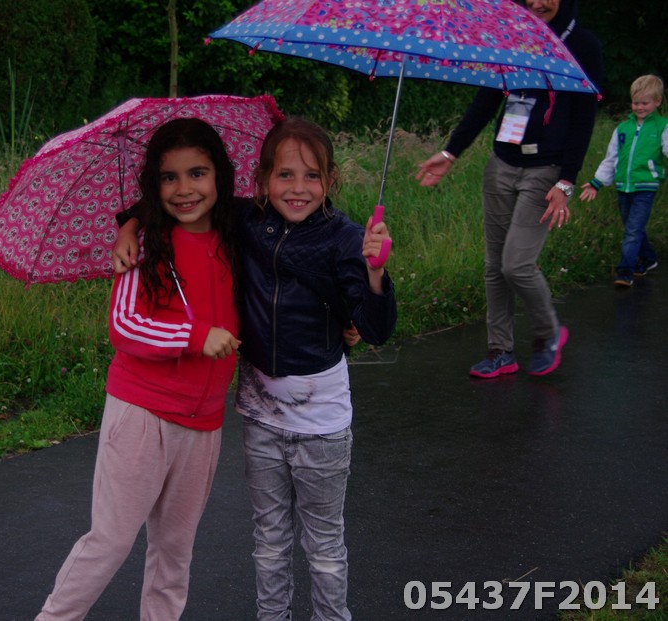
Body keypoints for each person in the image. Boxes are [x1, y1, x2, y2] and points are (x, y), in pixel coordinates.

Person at [115, 117, 397, 620]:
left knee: (323, 543)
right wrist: (130, 226)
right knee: (269, 537)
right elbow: (176, 203)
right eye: (284, 175)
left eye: (312, 176)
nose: (297, 188)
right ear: (262, 179)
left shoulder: (346, 240)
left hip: (321, 420)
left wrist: (375, 273)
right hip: (261, 413)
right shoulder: (245, 220)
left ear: (331, 180)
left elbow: (374, 328)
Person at [34, 117, 242, 621]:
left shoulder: (237, 237)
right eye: (169, 177)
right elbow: (124, 326)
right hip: (142, 414)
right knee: (110, 540)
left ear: (220, 175)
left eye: (197, 173)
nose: (185, 189)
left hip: (203, 423)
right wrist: (194, 336)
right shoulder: (145, 246)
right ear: (154, 184)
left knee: (175, 550)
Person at [415, 0, 604, 378]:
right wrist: (451, 152)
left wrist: (566, 180)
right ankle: (500, 350)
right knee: (494, 266)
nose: (538, 3)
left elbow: (585, 117)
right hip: (501, 164)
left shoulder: (582, 44)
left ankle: (549, 332)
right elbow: (487, 99)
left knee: (516, 264)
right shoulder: (512, 38)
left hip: (545, 171)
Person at [579, 74, 668, 286]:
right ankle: (649, 258)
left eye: (645, 103)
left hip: (646, 186)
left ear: (657, 102)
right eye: (636, 103)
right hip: (623, 187)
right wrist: (596, 183)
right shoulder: (622, 128)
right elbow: (611, 158)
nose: (639, 107)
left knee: (633, 231)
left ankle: (625, 272)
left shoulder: (662, 126)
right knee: (632, 227)